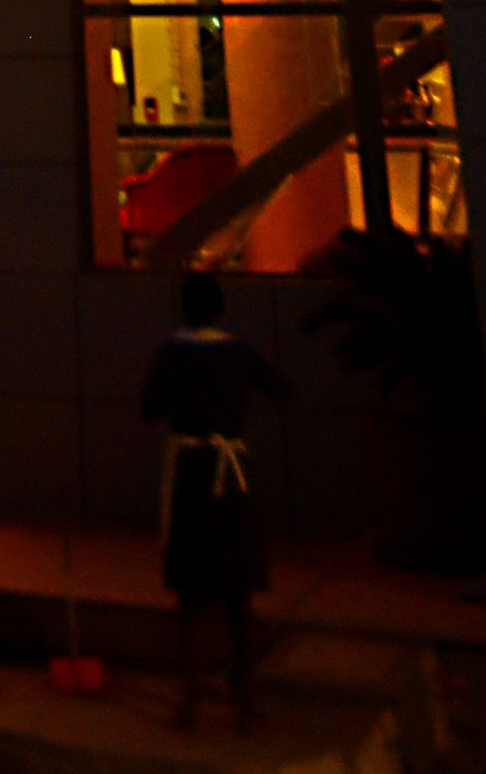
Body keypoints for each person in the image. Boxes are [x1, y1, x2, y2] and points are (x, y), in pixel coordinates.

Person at [140, 266, 287, 733]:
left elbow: (149, 410)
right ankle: (245, 705)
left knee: (189, 594)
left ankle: (189, 703)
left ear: (184, 308)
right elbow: (282, 390)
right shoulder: (238, 353)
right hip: (232, 474)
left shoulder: (171, 352)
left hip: (191, 474)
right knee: (238, 595)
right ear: (220, 308)